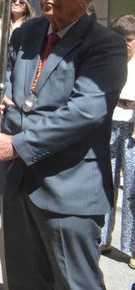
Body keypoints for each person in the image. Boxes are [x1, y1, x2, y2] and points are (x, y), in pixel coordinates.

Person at [0, 0, 127, 289]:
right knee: (22, 280)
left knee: (74, 283)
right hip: (18, 182)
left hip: (69, 188)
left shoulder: (106, 45)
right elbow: (4, 79)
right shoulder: (27, 33)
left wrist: (17, 143)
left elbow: (86, 111)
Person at [100, 14, 135, 267]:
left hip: (133, 127)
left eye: (130, 40)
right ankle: (102, 238)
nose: (126, 44)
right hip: (110, 123)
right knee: (105, 182)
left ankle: (132, 247)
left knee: (132, 189)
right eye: (121, 39)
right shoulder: (110, 60)